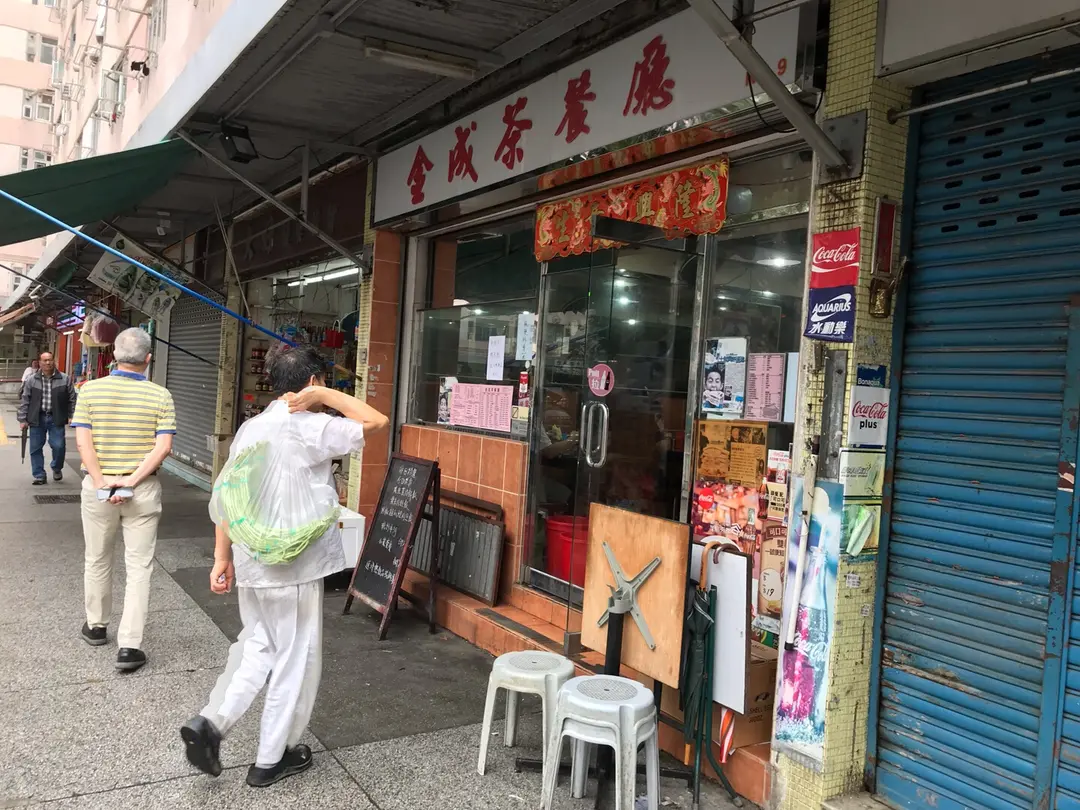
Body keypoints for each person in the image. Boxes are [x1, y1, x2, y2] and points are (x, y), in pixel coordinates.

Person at [180, 344, 389, 788]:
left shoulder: (251, 428)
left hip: (252, 560)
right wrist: (324, 397)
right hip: (294, 567)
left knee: (258, 645)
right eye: (321, 383)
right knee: (296, 658)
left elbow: (227, 496)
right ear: (313, 382)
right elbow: (376, 421)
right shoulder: (313, 427)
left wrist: (222, 557)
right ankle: (271, 758)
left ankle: (212, 723)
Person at [72, 328, 176, 672]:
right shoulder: (160, 395)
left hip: (98, 489)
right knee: (139, 566)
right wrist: (130, 481)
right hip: (142, 490)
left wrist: (102, 482)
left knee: (97, 558)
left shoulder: (90, 391)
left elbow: (83, 443)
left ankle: (96, 626)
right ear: (149, 359)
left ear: (114, 355)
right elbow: (163, 447)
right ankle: (130, 647)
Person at [18, 352, 76, 485]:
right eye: (44, 360)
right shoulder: (32, 380)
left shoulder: (64, 379)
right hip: (36, 418)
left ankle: (56, 467)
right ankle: (39, 475)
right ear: (39, 362)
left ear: (54, 361)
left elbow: (72, 399)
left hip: (56, 417)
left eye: (50, 360)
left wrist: (72, 415)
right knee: (35, 448)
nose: (48, 363)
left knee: (59, 446)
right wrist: (22, 419)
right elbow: (25, 400)